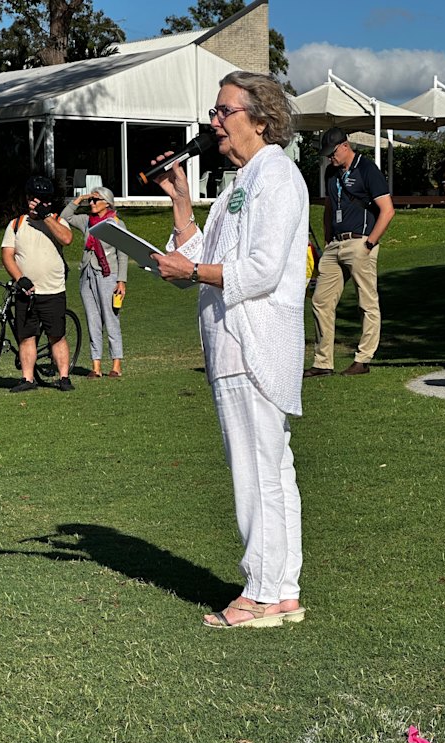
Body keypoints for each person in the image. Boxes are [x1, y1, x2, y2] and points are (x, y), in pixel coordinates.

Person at [151, 70, 309, 628]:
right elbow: (201, 263)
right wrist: (181, 210)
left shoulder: (278, 177)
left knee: (258, 469)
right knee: (269, 468)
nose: (213, 122)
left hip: (255, 340)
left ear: (260, 118)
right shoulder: (238, 186)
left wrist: (193, 268)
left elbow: (262, 270)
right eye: (215, 112)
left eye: (223, 112)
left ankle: (263, 593)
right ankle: (281, 588)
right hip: (231, 343)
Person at [304, 128, 395, 377]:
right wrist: (327, 240)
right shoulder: (332, 173)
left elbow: (387, 210)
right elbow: (329, 207)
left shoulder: (367, 169)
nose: (329, 158)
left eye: (332, 153)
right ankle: (323, 362)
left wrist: (369, 243)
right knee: (321, 301)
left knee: (366, 302)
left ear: (345, 146)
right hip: (335, 244)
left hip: (359, 243)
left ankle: (363, 359)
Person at [1, 176, 75, 392]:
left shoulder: (57, 221)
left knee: (57, 335)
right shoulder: (16, 224)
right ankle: (27, 378)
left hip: (52, 290)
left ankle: (63, 377)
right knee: (26, 336)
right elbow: (7, 255)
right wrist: (19, 278)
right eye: (35, 199)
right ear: (27, 199)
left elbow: (67, 239)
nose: (39, 203)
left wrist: (46, 217)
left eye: (43, 200)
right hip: (26, 291)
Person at [60, 187, 128, 378]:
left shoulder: (116, 223)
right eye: (90, 201)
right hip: (87, 274)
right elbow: (65, 216)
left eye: (95, 200)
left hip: (108, 275)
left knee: (111, 318)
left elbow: (123, 254)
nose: (91, 204)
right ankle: (96, 366)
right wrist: (79, 199)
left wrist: (121, 281)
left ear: (107, 203)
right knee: (92, 320)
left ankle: (116, 365)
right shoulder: (87, 221)